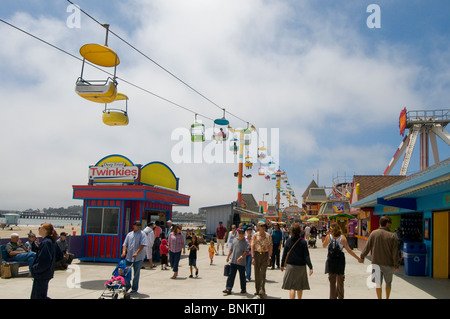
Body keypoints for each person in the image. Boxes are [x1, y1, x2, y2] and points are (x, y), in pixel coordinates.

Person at [360, 216, 400, 299]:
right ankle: (387, 298)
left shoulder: (374, 233)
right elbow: (395, 253)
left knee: (378, 283)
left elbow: (367, 247)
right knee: (388, 283)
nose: (391, 224)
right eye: (390, 222)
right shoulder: (392, 236)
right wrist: (396, 265)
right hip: (388, 264)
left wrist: (362, 256)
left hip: (376, 263)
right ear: (387, 224)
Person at [322, 223, 363, 299]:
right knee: (340, 281)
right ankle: (340, 297)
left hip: (331, 261)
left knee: (332, 282)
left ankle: (332, 297)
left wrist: (326, 236)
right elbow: (349, 250)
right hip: (340, 261)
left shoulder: (329, 237)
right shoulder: (342, 238)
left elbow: (324, 245)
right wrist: (358, 259)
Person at [30, 223, 63, 299]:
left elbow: (44, 261)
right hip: (46, 273)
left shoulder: (46, 243)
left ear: (45, 230)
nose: (39, 229)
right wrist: (51, 263)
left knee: (38, 296)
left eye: (40, 228)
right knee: (41, 295)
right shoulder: (52, 241)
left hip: (41, 274)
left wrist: (34, 269)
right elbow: (60, 255)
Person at [281, 224, 313, 299]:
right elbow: (306, 256)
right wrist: (310, 267)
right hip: (301, 266)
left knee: (292, 287)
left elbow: (284, 254)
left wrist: (282, 264)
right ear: (300, 232)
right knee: (299, 286)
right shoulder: (303, 242)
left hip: (290, 266)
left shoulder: (288, 241)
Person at [121, 221, 147, 294]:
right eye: (137, 225)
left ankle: (134, 289)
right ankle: (127, 286)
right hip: (129, 257)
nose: (138, 226)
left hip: (138, 258)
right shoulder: (129, 234)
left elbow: (142, 245)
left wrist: (136, 253)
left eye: (139, 225)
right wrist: (123, 252)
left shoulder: (142, 234)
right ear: (133, 225)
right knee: (126, 272)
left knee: (136, 274)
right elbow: (125, 244)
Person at [223, 228, 250, 295]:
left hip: (241, 262)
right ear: (238, 233)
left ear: (244, 234)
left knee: (242, 276)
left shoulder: (245, 242)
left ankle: (243, 289)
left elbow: (246, 251)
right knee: (231, 275)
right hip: (233, 261)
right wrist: (228, 256)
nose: (241, 235)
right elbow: (231, 249)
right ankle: (228, 288)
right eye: (239, 233)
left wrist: (241, 257)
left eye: (242, 233)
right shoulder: (234, 240)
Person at [251, 221, 272, 298]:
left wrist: (269, 257)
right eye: (261, 226)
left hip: (264, 255)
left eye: (263, 226)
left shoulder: (268, 236)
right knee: (257, 273)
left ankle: (262, 290)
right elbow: (252, 246)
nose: (262, 227)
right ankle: (257, 290)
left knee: (263, 273)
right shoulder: (255, 236)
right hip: (257, 254)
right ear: (258, 227)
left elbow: (270, 246)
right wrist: (253, 257)